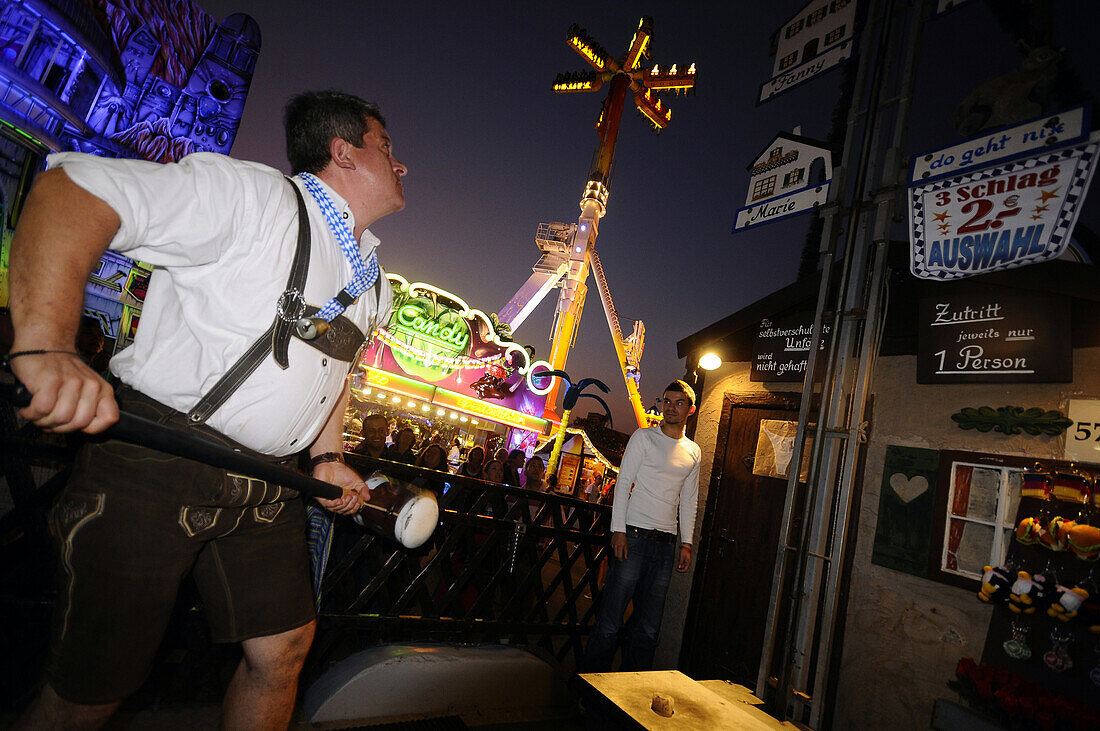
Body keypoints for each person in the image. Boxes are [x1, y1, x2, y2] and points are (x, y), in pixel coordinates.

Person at [8, 90, 407, 728]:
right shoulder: (253, 198)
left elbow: (336, 366)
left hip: (270, 480)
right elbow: (72, 192)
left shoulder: (373, 278)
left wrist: (327, 457)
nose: (402, 164)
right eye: (387, 148)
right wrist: (49, 346)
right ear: (343, 152)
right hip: (160, 456)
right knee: (92, 690)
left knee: (284, 650)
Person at [579, 380, 701, 673]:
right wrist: (618, 530)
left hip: (666, 544)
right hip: (633, 536)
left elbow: (689, 499)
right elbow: (622, 484)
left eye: (678, 403)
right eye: (666, 401)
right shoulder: (644, 438)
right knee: (610, 620)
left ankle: (631, 691)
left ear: (691, 409)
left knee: (648, 627)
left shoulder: (693, 451)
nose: (670, 408)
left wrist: (686, 543)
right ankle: (590, 687)